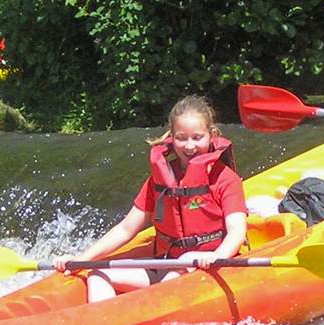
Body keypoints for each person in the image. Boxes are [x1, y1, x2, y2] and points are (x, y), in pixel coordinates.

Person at [53, 95, 248, 302]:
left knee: (185, 262)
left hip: (211, 267)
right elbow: (126, 229)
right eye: (181, 138)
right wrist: (81, 260)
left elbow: (236, 232)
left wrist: (216, 256)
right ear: (171, 138)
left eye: (197, 137)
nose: (189, 146)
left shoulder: (226, 179)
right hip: (167, 264)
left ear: (212, 135)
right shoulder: (159, 180)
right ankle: (105, 321)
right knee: (98, 274)